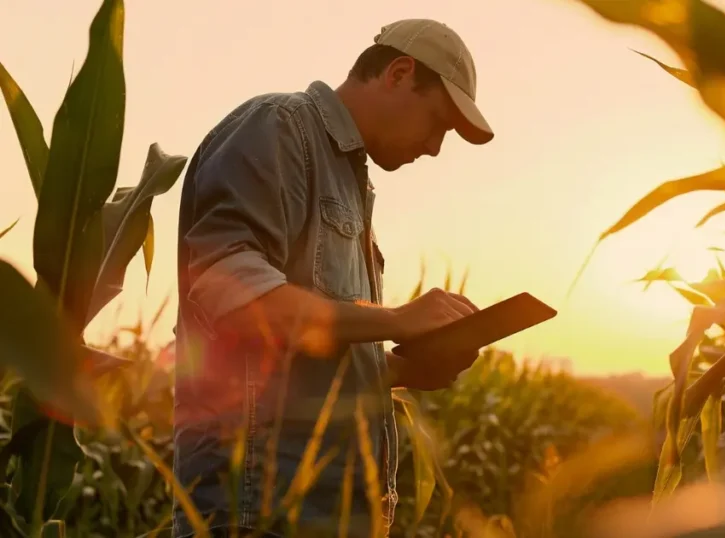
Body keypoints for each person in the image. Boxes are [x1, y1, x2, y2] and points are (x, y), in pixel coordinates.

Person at [171, 18, 493, 538]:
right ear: (398, 73)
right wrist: (396, 319)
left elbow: (305, 353)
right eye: (438, 122)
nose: (435, 147)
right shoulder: (279, 127)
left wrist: (397, 370)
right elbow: (227, 293)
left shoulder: (347, 182)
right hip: (258, 512)